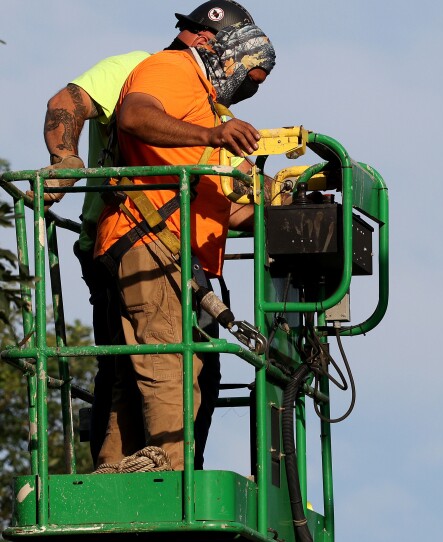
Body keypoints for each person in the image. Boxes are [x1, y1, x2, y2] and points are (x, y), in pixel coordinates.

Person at [38, 1, 258, 470]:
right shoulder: (143, 69)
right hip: (131, 234)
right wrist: (66, 159)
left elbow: (220, 203)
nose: (245, 83)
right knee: (155, 361)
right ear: (205, 39)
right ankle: (170, 480)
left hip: (177, 248)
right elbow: (66, 103)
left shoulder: (204, 108)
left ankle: (121, 470)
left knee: (165, 366)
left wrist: (285, 214)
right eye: (246, 70)